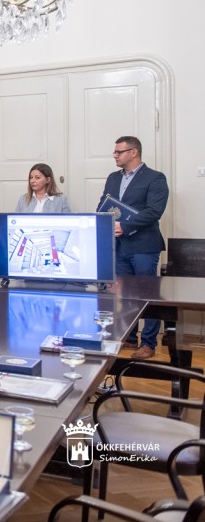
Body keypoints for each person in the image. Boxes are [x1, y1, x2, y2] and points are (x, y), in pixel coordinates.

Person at [99, 136, 169, 359]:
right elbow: (104, 205)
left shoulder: (155, 178)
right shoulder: (113, 178)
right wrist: (103, 224)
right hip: (119, 246)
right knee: (125, 295)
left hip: (144, 246)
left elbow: (154, 211)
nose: (115, 155)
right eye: (115, 152)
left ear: (134, 152)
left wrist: (124, 226)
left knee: (148, 296)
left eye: (119, 152)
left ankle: (148, 343)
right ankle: (129, 337)